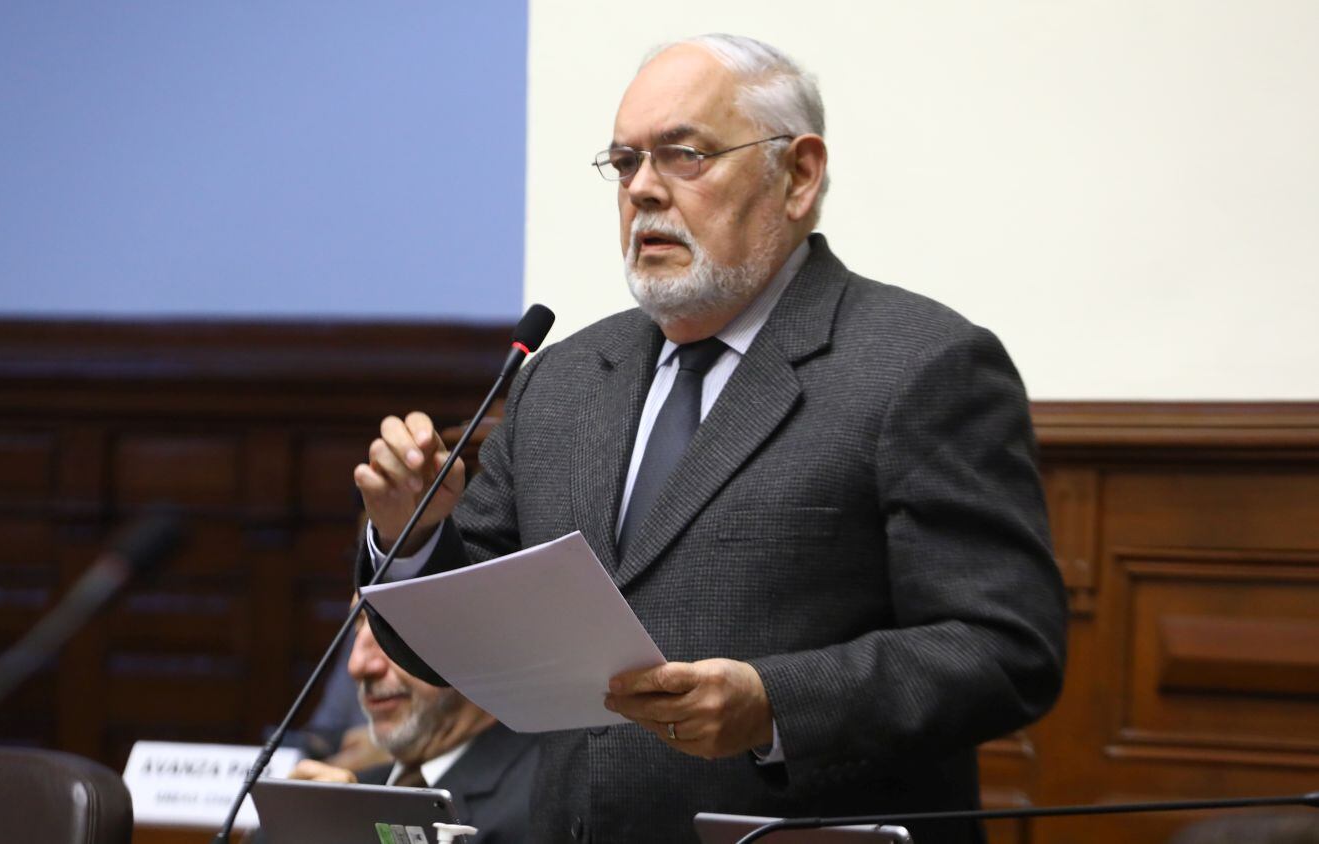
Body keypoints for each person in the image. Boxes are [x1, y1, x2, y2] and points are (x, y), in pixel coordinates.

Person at [354, 33, 1067, 844]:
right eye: (624, 164)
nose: (644, 192)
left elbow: (1007, 650)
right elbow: (454, 645)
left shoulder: (916, 364)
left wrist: (774, 705)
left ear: (797, 175)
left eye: (683, 156)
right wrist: (407, 536)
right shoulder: (561, 380)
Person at [285, 605, 538, 844]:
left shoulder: (546, 801)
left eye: (391, 629)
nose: (358, 665)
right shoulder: (343, 795)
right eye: (356, 627)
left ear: (477, 644)